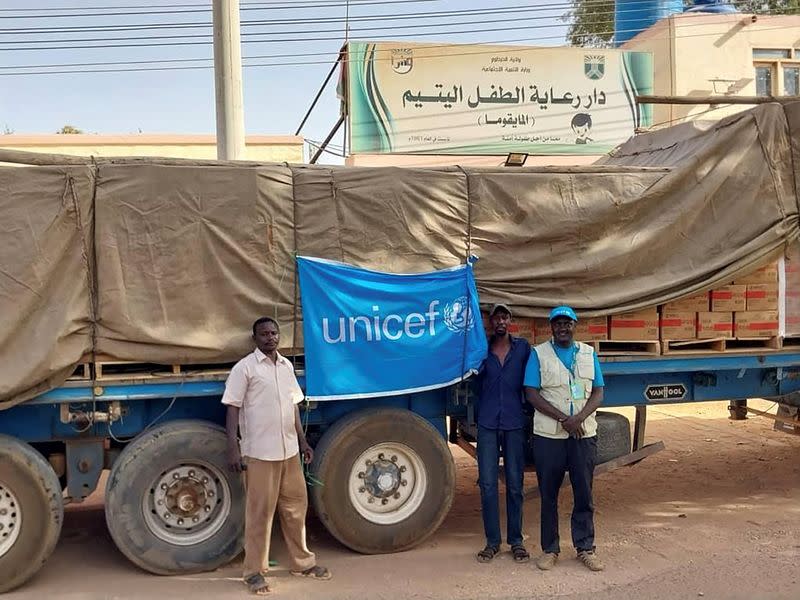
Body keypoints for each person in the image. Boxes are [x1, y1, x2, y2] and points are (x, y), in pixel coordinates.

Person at [223, 317, 332, 595]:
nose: (270, 338)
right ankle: (254, 573)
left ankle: (302, 562)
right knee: (260, 514)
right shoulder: (244, 369)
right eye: (264, 334)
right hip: (260, 453)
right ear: (254, 338)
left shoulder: (286, 367)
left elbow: (293, 407)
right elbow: (233, 408)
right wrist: (233, 447)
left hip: (289, 453)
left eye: (274, 333)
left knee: (296, 509)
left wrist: (303, 441)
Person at [523, 306, 605, 572]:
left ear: (574, 326)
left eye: (567, 323)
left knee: (584, 493)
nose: (562, 328)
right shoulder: (538, 354)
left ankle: (585, 547)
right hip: (549, 436)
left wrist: (578, 419)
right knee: (549, 495)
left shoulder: (588, 353)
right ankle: (550, 549)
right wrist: (563, 419)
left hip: (583, 434)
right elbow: (531, 393)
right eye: (557, 324)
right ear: (551, 328)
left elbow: (598, 392)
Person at [475, 303, 532, 564]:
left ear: (510, 320)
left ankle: (516, 541)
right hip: (487, 423)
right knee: (487, 484)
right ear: (490, 322)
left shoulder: (522, 348)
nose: (500, 321)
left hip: (514, 423)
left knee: (514, 483)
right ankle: (492, 542)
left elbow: (531, 382)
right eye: (496, 317)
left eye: (504, 316)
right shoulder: (481, 348)